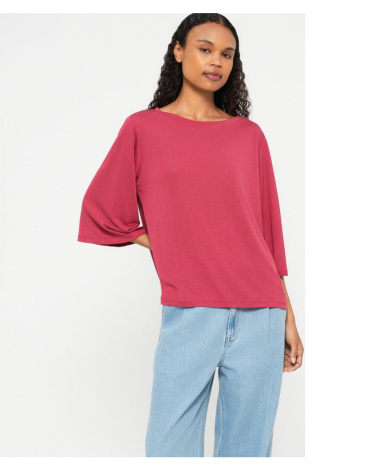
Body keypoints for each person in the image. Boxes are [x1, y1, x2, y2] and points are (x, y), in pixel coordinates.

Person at [77, 13, 304, 457]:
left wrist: (289, 316)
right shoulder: (143, 128)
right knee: (168, 448)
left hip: (261, 314)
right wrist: (166, 241)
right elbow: (103, 211)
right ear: (178, 51)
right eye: (205, 49)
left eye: (227, 54)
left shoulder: (248, 135)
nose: (216, 61)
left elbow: (267, 232)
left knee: (249, 453)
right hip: (190, 310)